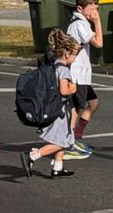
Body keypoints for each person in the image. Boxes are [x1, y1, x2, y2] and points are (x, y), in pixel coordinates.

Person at [20, 29, 81, 179]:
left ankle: (58, 167)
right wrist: (72, 89)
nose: (74, 59)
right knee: (65, 142)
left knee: (63, 137)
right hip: (59, 111)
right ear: (67, 54)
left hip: (53, 107)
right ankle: (34, 155)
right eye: (74, 56)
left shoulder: (53, 65)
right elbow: (63, 90)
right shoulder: (64, 70)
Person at [65, 0, 103, 160]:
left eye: (96, 8)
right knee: (75, 108)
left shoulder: (82, 23)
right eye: (91, 8)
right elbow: (99, 43)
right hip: (76, 75)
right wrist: (98, 21)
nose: (94, 12)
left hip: (83, 75)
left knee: (93, 104)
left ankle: (76, 136)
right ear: (80, 9)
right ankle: (68, 143)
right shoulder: (79, 24)